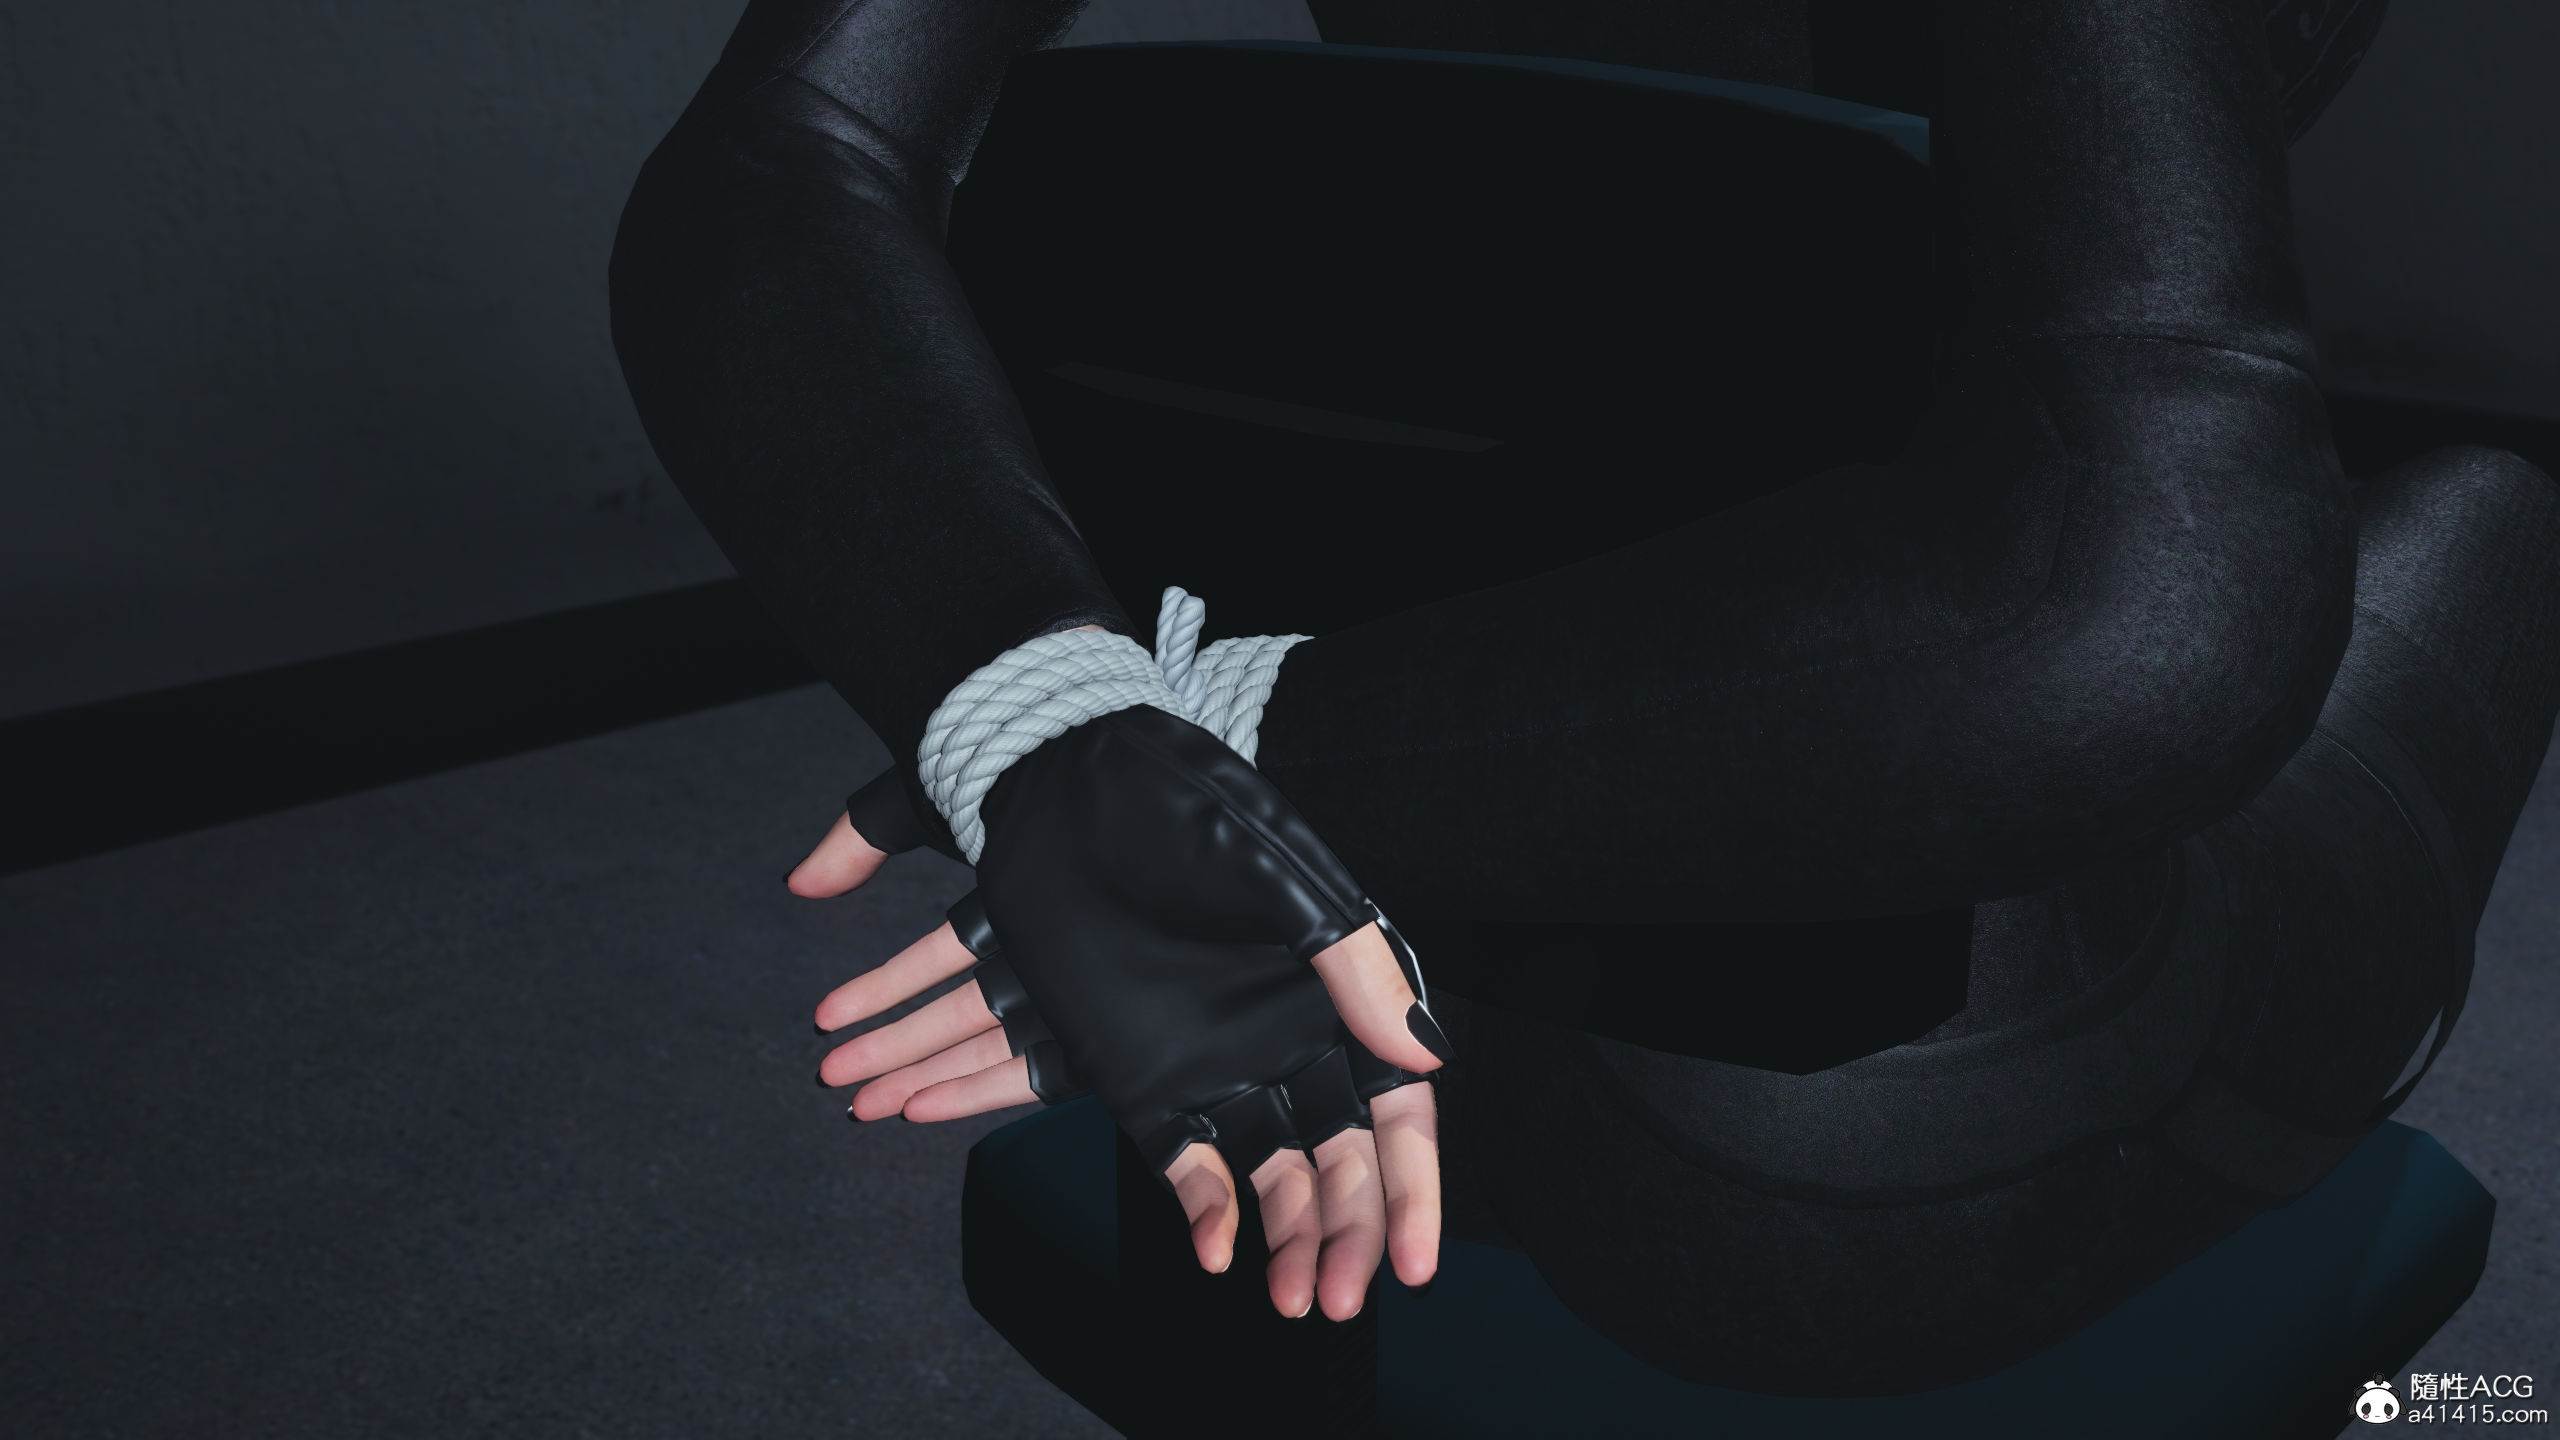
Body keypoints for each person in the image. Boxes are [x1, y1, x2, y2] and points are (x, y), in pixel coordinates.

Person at [610, 0, 2519, 1389]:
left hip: (1269, 1041)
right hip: (1846, 1147)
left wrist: (1079, 733)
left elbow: (776, 159)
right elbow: (2130, 608)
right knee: (2492, 517)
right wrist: (1171, 754)